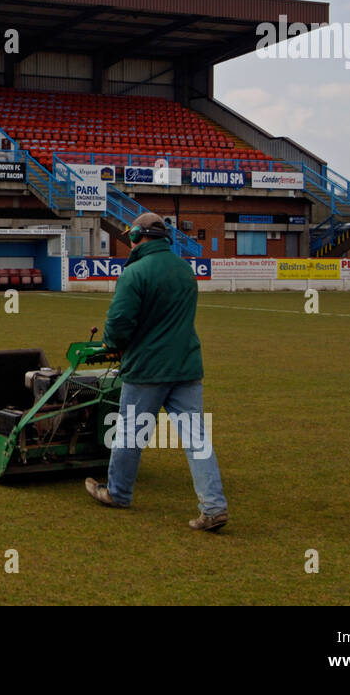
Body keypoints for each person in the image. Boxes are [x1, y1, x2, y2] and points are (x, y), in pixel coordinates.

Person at [84, 212, 229, 531]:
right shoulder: (184, 270)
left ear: (136, 237)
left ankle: (118, 494)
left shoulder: (135, 273)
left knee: (128, 436)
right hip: (187, 367)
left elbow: (119, 325)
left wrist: (113, 343)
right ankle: (214, 505)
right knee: (197, 440)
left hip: (147, 370)